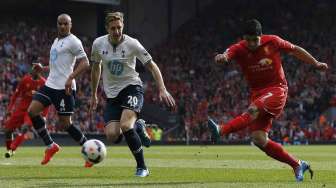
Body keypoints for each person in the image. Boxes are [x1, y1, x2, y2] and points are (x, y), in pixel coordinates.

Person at [208, 19, 328, 182]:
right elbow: (227, 54)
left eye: (254, 40)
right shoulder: (239, 48)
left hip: (277, 90)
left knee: (253, 110)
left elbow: (295, 50)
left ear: (261, 36)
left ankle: (221, 131)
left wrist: (315, 63)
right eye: (248, 40)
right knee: (258, 139)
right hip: (258, 94)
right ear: (244, 38)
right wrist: (222, 57)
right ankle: (298, 164)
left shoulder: (273, 41)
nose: (251, 44)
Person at [90, 12, 175, 177]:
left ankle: (142, 167)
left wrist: (162, 89)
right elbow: (95, 68)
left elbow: (152, 66)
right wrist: (93, 94)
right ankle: (139, 126)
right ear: (107, 28)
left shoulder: (132, 44)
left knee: (125, 126)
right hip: (112, 95)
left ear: (123, 26)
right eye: (113, 28)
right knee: (113, 135)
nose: (117, 31)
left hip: (132, 88)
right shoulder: (98, 44)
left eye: (119, 28)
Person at [27, 14, 90, 166]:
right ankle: (51, 146)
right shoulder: (56, 41)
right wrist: (43, 68)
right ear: (57, 25)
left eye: (65, 24)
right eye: (60, 24)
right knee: (32, 111)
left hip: (64, 88)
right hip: (50, 85)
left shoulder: (74, 41)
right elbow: (56, 66)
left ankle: (88, 150)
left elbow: (85, 62)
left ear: (70, 24)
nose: (62, 26)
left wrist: (71, 77)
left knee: (65, 124)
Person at [3, 63, 48, 158]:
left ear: (39, 72)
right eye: (32, 68)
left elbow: (47, 100)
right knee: (7, 130)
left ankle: (12, 149)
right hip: (20, 109)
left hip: (32, 111)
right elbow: (15, 95)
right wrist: (9, 109)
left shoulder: (44, 83)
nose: (32, 70)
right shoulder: (25, 80)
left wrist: (44, 115)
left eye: (35, 69)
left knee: (25, 128)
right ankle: (9, 150)